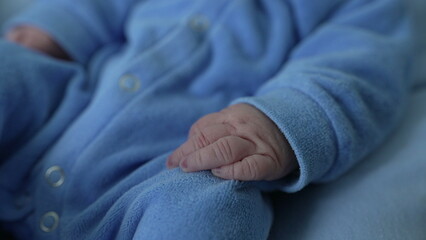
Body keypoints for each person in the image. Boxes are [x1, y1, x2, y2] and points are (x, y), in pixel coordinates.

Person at [0, 0, 417, 239]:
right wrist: (56, 29)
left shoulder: (364, 6)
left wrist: (280, 120)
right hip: (57, 116)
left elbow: (358, 71)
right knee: (11, 72)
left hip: (165, 170)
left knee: (211, 205)